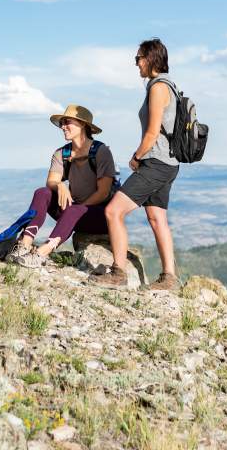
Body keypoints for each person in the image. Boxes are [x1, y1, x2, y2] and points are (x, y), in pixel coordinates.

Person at [90, 38, 180, 291]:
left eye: (138, 58)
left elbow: (152, 133)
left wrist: (137, 157)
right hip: (168, 163)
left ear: (151, 58)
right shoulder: (168, 86)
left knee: (113, 211)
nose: (136, 63)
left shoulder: (158, 88)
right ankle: (169, 278)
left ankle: (118, 272)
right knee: (156, 217)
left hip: (156, 162)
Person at [9, 105, 117, 268]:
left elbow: (103, 192)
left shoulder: (101, 152)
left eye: (68, 122)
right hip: (74, 213)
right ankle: (24, 245)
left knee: (74, 209)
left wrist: (77, 209)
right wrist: (60, 185)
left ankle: (42, 253)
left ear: (83, 125)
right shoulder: (62, 153)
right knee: (42, 192)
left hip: (100, 215)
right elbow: (51, 181)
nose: (63, 126)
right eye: (62, 123)